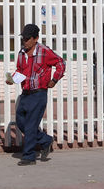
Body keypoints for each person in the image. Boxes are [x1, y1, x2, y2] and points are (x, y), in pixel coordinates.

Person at [7, 24, 66, 166]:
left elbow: (60, 63)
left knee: (31, 125)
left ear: (36, 39)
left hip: (39, 94)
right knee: (21, 122)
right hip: (26, 93)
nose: (24, 41)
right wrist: (13, 79)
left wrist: (54, 79)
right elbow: (21, 71)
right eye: (23, 38)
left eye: (27, 39)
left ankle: (29, 156)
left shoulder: (44, 52)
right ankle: (45, 140)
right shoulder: (21, 53)